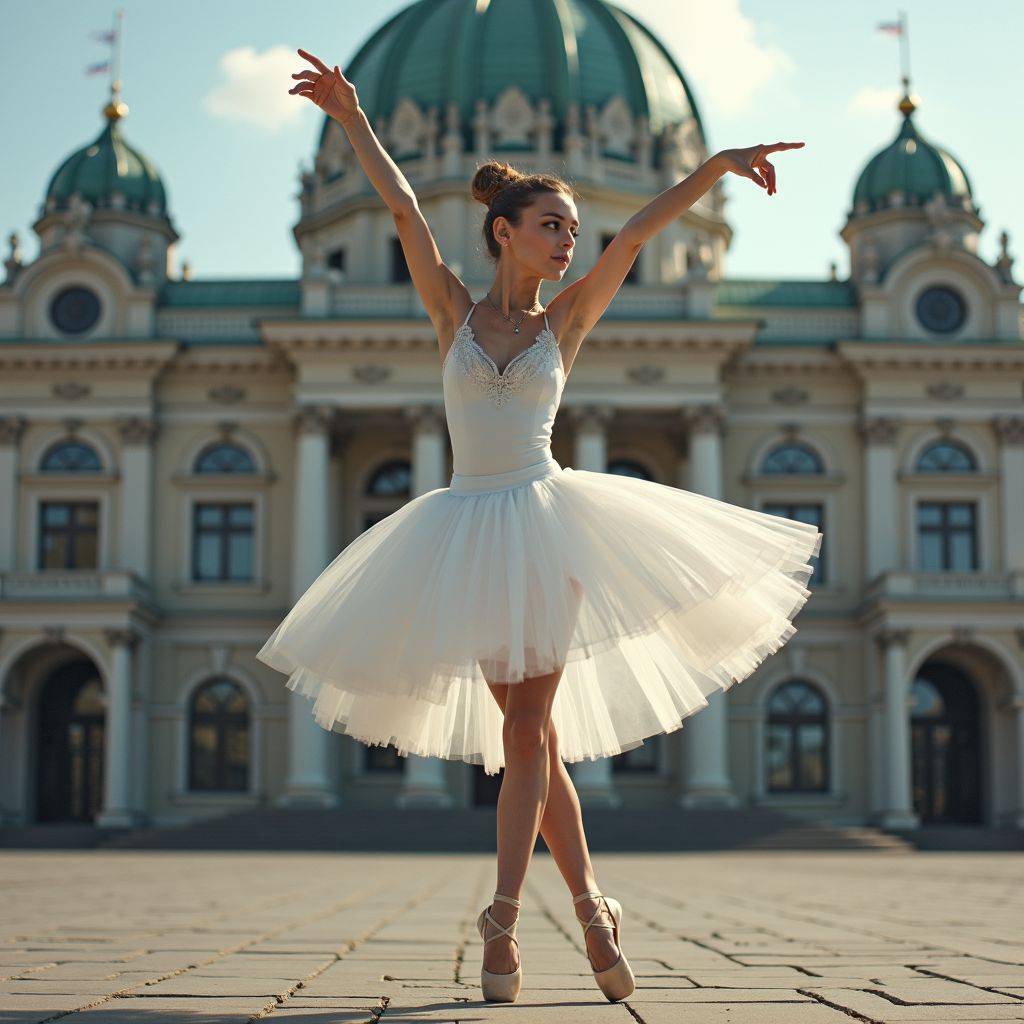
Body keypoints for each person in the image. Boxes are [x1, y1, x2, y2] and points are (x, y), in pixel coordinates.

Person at [259, 48, 819, 1005]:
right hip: (466, 530)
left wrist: (717, 167)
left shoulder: (567, 324)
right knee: (537, 741)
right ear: (503, 232)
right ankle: (595, 907)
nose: (568, 240)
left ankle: (504, 917)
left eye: (570, 228)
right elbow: (399, 208)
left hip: (547, 521)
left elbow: (635, 237)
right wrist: (352, 115)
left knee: (524, 731)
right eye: (551, 227)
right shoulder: (451, 312)